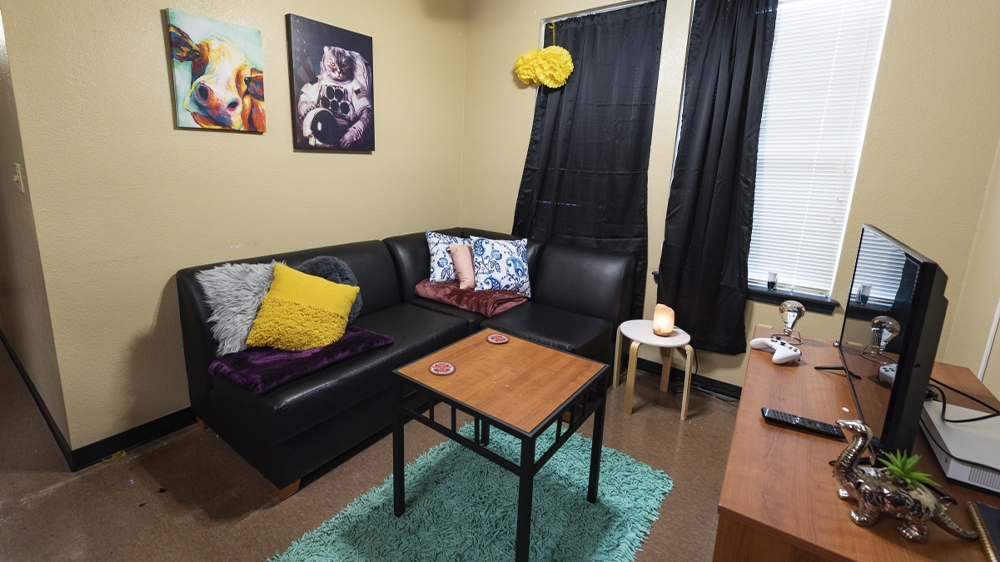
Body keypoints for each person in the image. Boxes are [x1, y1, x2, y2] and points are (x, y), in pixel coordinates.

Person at [298, 46, 374, 149]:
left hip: (343, 140)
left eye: (343, 65)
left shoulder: (356, 87)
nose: (338, 70)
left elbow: (367, 112)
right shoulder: (319, 82)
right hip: (317, 137)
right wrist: (306, 108)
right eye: (333, 64)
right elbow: (304, 97)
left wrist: (354, 132)